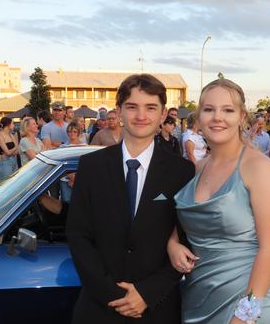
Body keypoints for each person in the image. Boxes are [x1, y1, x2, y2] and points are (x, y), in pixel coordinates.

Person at [67, 74, 195, 323]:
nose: (141, 116)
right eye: (132, 107)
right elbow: (78, 234)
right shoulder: (91, 166)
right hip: (99, 308)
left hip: (156, 308)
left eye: (150, 108)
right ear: (119, 112)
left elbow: (189, 240)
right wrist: (113, 295)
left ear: (162, 115)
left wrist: (146, 294)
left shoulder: (182, 172)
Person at [168, 77, 270, 323]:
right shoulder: (199, 168)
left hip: (247, 305)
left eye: (228, 110)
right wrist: (172, 243)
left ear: (242, 116)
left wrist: (244, 315)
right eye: (209, 109)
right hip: (198, 299)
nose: (217, 117)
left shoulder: (259, 167)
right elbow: (177, 220)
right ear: (199, 117)